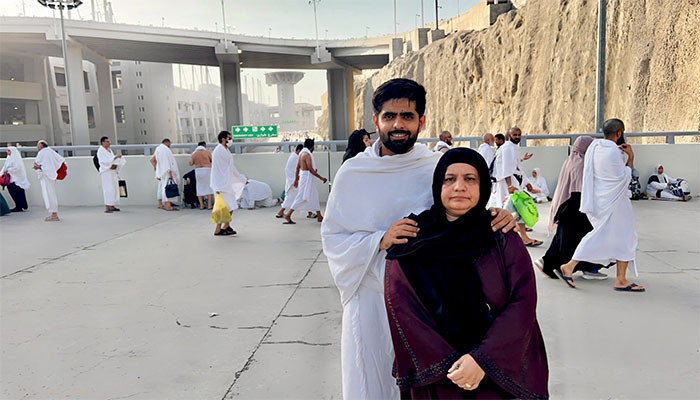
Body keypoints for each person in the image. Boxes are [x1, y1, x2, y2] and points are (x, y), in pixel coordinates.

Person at [321, 78, 516, 400]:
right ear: (376, 121)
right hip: (370, 299)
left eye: (407, 116)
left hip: (428, 300)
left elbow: (462, 209)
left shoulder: (435, 167)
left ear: (421, 121)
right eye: (389, 116)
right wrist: (379, 240)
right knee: (373, 380)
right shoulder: (354, 173)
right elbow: (333, 237)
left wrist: (496, 215)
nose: (398, 125)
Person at [384, 148, 549, 398]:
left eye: (470, 179)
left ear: (483, 186)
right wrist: (450, 365)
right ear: (438, 186)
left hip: (496, 370)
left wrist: (482, 360)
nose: (459, 186)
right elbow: (402, 306)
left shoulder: (501, 236)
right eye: (449, 179)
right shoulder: (413, 238)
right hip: (436, 375)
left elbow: (523, 302)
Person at [558, 119, 645, 292]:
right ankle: (570, 266)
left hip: (601, 201)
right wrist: (631, 157)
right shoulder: (614, 152)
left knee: (622, 237)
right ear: (619, 133)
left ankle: (621, 278)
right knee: (619, 236)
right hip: (616, 203)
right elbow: (623, 179)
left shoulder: (596, 147)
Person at [533, 136, 608, 280]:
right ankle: (588, 269)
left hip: (567, 206)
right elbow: (583, 189)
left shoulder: (570, 161)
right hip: (578, 207)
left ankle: (547, 262)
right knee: (583, 239)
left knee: (566, 239)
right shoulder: (582, 164)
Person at [490, 127, 543, 246]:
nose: (517, 137)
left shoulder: (512, 148)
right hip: (507, 183)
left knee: (517, 210)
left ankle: (522, 237)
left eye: (519, 135)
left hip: (513, 182)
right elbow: (507, 167)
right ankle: (520, 238)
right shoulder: (508, 147)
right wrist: (509, 186)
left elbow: (517, 165)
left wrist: (527, 183)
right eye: (515, 135)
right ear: (509, 136)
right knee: (513, 209)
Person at [210, 131, 246, 236]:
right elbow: (216, 170)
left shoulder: (226, 150)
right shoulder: (218, 151)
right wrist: (217, 186)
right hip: (220, 185)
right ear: (223, 139)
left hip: (226, 184)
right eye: (229, 138)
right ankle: (219, 229)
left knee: (231, 206)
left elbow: (231, 168)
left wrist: (241, 179)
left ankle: (226, 226)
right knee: (225, 207)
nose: (231, 140)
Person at [283, 138, 327, 224]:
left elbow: (298, 168)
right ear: (312, 146)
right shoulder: (306, 155)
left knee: (314, 195)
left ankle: (319, 216)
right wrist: (322, 178)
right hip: (306, 178)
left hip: (304, 177)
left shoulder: (301, 154)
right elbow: (310, 169)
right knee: (301, 197)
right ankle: (288, 215)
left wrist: (296, 179)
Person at [33, 140, 64, 221]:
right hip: (51, 176)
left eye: (38, 144)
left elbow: (44, 165)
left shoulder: (43, 152)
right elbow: (59, 160)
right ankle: (54, 214)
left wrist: (39, 167)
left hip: (47, 176)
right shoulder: (50, 151)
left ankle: (54, 215)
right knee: (51, 194)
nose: (37, 146)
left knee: (49, 195)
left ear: (42, 145)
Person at [151, 138, 180, 211]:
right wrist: (170, 172)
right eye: (170, 143)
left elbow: (153, 160)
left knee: (165, 188)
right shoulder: (164, 150)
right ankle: (168, 205)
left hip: (163, 172)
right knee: (167, 188)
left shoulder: (159, 149)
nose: (170, 145)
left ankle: (167, 204)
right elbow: (166, 162)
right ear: (167, 142)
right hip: (167, 172)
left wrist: (157, 170)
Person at [97, 136, 124, 213]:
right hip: (106, 172)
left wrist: (117, 161)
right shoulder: (101, 151)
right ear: (103, 143)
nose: (109, 143)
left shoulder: (110, 150)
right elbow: (104, 161)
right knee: (108, 188)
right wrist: (115, 158)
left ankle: (112, 205)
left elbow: (112, 159)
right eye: (107, 141)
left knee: (114, 188)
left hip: (112, 172)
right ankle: (107, 206)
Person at [276, 144, 304, 218]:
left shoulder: (293, 156)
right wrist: (296, 180)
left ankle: (310, 213)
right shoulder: (295, 157)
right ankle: (280, 212)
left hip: (292, 180)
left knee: (298, 197)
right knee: (295, 197)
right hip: (293, 182)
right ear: (298, 150)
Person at [0, 146, 30, 212]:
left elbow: (17, 168)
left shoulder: (16, 158)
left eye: (9, 151)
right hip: (10, 179)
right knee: (13, 193)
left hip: (17, 179)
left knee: (18, 193)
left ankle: (20, 206)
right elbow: (5, 167)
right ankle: (18, 205)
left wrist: (8, 170)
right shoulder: (9, 158)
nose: (7, 152)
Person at [189, 141, 214, 209]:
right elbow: (213, 160)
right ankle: (209, 205)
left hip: (198, 171)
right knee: (209, 187)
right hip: (207, 170)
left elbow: (190, 163)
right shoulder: (207, 152)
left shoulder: (194, 153)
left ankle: (201, 205)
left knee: (199, 187)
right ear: (204, 146)